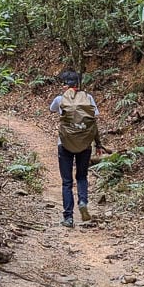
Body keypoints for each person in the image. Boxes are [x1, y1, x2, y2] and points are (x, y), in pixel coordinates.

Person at [49, 70, 102, 227]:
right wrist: (98, 144)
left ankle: (68, 218)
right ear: (78, 84)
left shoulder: (60, 99)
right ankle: (83, 201)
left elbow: (51, 109)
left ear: (65, 85)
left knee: (66, 182)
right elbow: (94, 119)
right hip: (85, 143)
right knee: (82, 176)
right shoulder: (88, 98)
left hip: (64, 143)